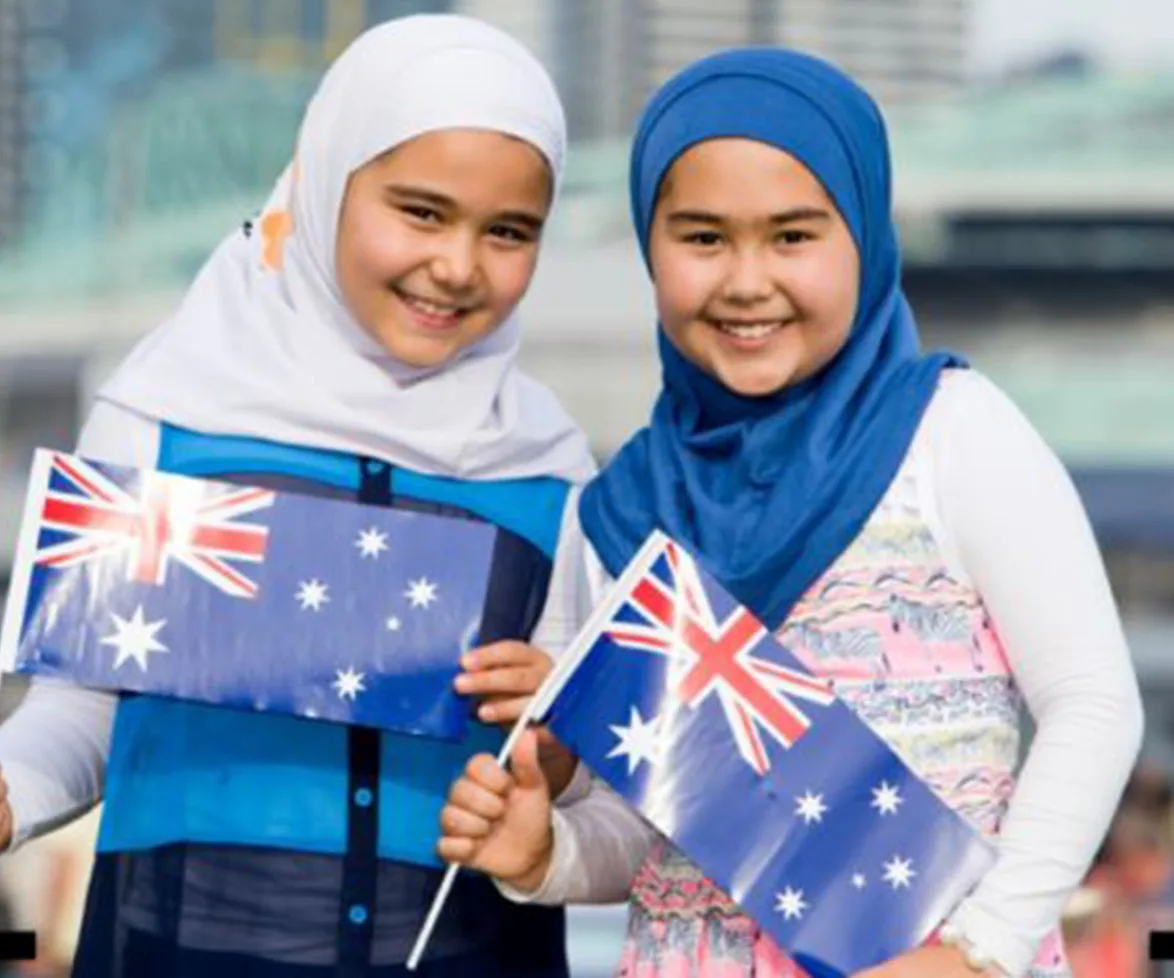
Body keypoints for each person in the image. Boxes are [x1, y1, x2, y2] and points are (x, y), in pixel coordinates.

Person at [437, 47, 1145, 978]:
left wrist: (982, 951)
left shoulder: (949, 431)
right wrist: (545, 856)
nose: (745, 281)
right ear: (648, 247)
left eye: (794, 236)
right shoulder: (614, 514)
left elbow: (1095, 705)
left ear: (865, 235)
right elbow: (658, 829)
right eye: (701, 238)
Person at [0, 14, 595, 978]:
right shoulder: (163, 418)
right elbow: (83, 709)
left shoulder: (556, 472)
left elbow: (567, 782)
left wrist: (561, 747)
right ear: (323, 185)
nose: (457, 265)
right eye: (420, 211)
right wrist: (12, 790)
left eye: (509, 232)